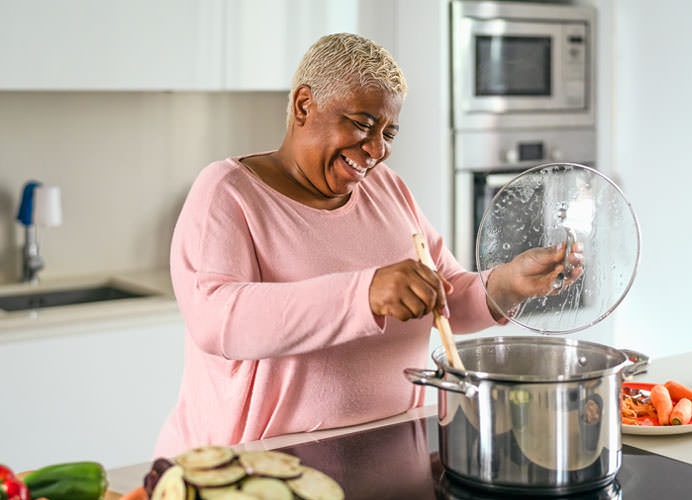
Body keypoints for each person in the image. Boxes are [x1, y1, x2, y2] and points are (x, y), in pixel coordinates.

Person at [154, 33, 582, 457]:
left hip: (392, 449)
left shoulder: (387, 189)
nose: (377, 149)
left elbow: (444, 295)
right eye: (361, 124)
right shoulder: (229, 192)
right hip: (256, 467)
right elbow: (218, 320)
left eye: (388, 132)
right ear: (305, 106)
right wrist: (364, 293)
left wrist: (507, 283)